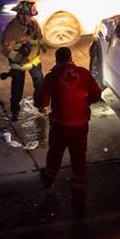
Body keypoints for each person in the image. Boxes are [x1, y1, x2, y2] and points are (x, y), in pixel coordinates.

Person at [36, 47, 102, 216]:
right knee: (79, 159)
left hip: (60, 125)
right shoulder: (84, 73)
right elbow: (96, 94)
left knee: (55, 153)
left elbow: (42, 101)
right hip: (80, 126)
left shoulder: (52, 77)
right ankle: (79, 197)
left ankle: (49, 179)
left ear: (57, 60)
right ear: (71, 58)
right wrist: (84, 103)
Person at [0, 0, 46, 122]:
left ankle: (40, 105)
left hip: (34, 61)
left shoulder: (34, 24)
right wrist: (19, 56)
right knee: (17, 90)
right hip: (18, 65)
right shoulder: (11, 30)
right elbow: (6, 50)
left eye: (31, 16)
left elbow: (39, 38)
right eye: (28, 15)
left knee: (40, 84)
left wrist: (39, 46)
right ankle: (15, 112)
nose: (30, 18)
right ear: (20, 14)